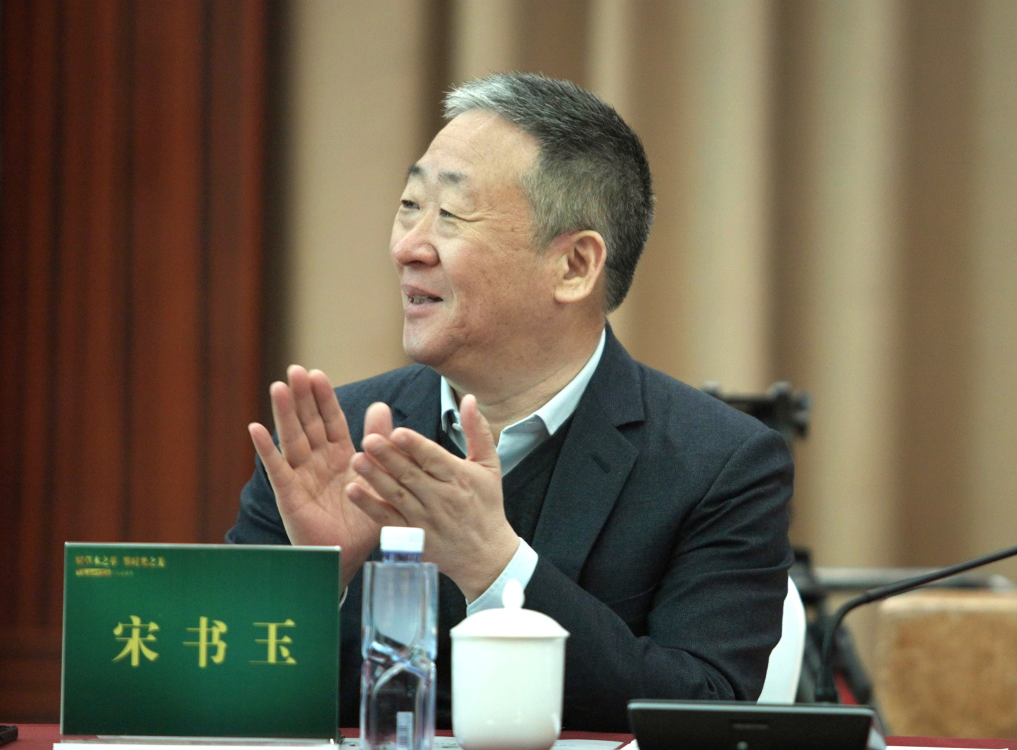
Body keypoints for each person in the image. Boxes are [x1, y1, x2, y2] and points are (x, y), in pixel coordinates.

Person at [226, 72, 793, 732]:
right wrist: (317, 584)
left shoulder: (718, 464)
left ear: (574, 267)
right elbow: (209, 696)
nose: (407, 247)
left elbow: (704, 710)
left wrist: (496, 568)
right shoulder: (333, 442)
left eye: (450, 215)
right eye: (410, 205)